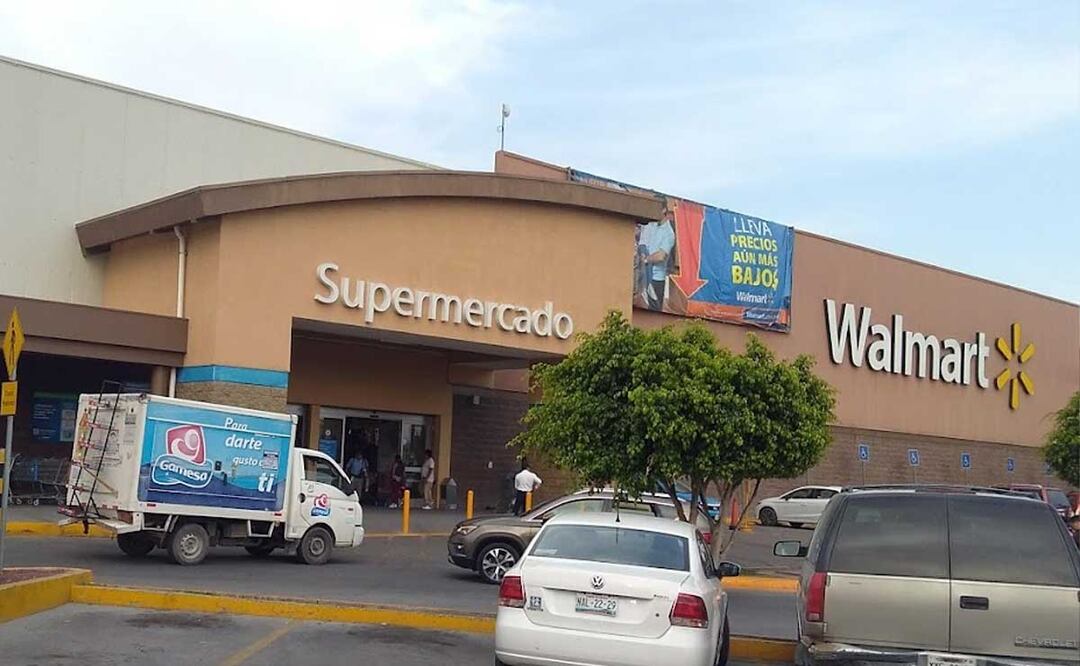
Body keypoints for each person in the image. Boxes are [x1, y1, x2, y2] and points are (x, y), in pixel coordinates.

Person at [637, 206, 676, 310]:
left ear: (663, 210)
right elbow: (642, 243)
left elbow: (660, 256)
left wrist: (646, 259)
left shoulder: (669, 233)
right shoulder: (651, 224)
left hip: (656, 279)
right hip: (643, 274)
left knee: (653, 309)